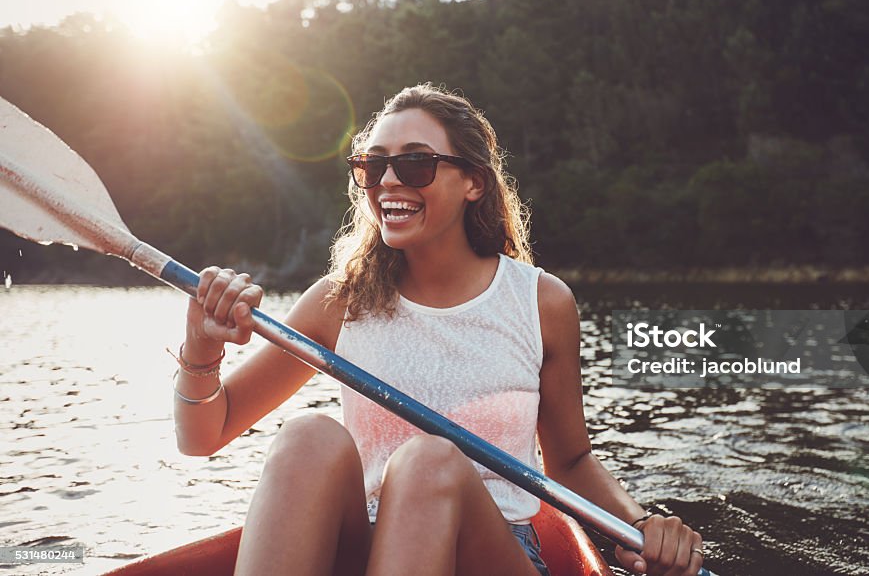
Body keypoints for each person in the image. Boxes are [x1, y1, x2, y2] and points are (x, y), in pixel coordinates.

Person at [170, 84, 710, 576]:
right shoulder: (340, 301)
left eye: (415, 163)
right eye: (373, 165)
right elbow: (202, 436)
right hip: (367, 553)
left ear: (474, 182)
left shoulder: (541, 302)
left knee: (430, 460)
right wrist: (202, 347)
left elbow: (568, 462)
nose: (388, 182)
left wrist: (645, 525)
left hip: (496, 554)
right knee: (307, 435)